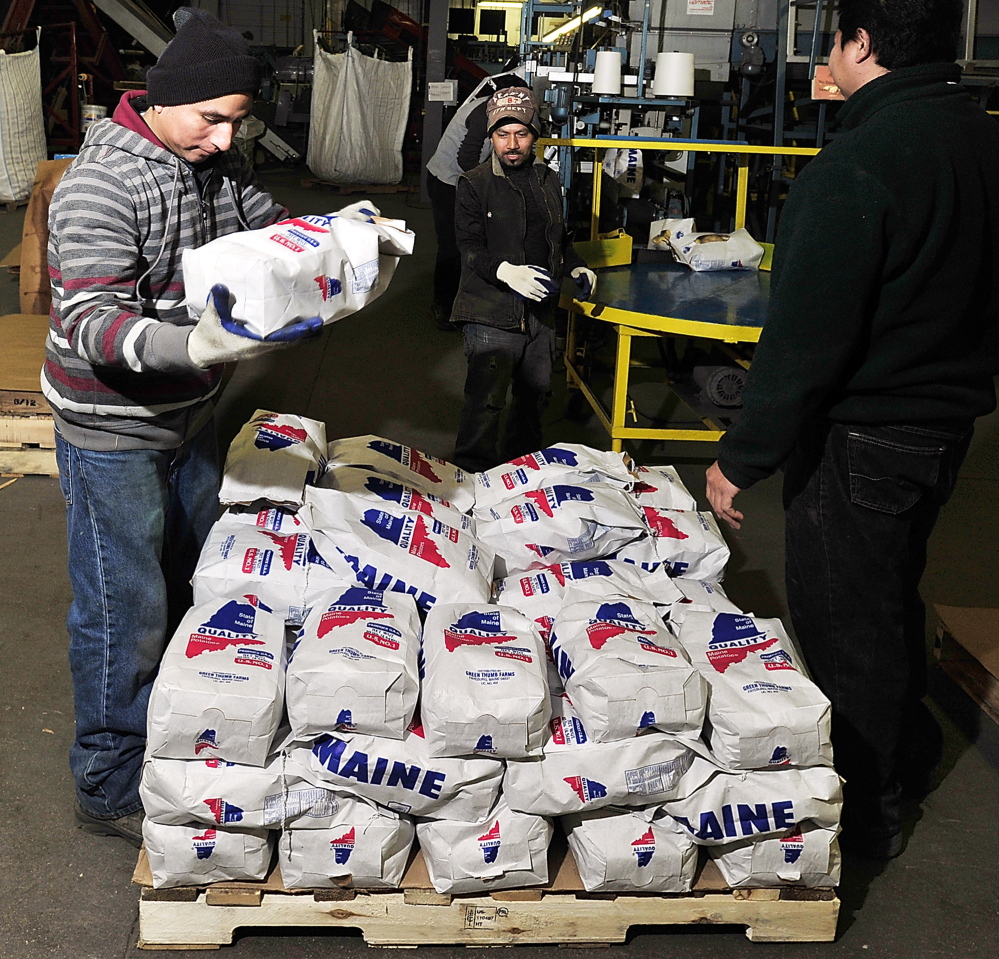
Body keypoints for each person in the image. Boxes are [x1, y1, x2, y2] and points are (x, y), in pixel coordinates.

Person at [704, 0, 999, 859]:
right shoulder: (984, 144)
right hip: (944, 431)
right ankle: (907, 745)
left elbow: (804, 340)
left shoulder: (858, 165)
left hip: (862, 440)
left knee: (845, 625)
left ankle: (869, 808)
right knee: (887, 593)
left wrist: (740, 457)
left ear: (860, 43)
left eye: (833, 38)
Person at [44, 7, 327, 845]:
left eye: (237, 123)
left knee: (193, 582)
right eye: (211, 119)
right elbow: (90, 321)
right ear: (167, 100)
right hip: (111, 431)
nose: (222, 139)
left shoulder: (207, 164)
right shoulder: (106, 183)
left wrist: (340, 239)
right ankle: (107, 779)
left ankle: (179, 732)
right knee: (120, 606)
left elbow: (270, 229)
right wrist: (197, 342)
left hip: (189, 417)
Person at [450, 87, 596, 473]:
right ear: (491, 137)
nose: (512, 145)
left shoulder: (547, 180)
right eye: (502, 135)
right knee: (486, 404)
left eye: (521, 134)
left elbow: (558, 237)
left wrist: (575, 264)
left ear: (535, 135)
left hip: (540, 314)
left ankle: (519, 479)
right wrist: (503, 271)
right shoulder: (474, 184)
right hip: (491, 314)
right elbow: (466, 246)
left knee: (534, 401)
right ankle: (470, 481)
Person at [425, 72, 529, 330]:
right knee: (452, 246)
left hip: (459, 181)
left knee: (469, 243)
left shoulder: (495, 110)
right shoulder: (483, 112)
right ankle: (443, 307)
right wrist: (491, 184)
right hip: (446, 182)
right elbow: (466, 158)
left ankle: (464, 302)